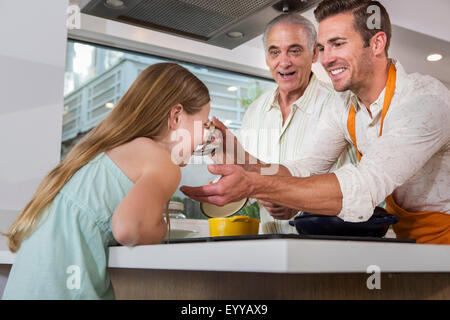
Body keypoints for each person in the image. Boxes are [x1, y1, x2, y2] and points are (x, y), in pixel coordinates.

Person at [181, 0, 450, 244]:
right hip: (410, 245)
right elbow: (304, 169)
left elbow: (365, 185)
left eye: (338, 43)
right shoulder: (344, 105)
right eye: (322, 47)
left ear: (377, 43)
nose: (326, 59)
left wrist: (254, 184)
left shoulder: (424, 100)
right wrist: (242, 159)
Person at [2, 63, 211, 299]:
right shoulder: (162, 161)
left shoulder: (101, 154)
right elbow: (129, 229)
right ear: (176, 116)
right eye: (204, 125)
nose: (204, 139)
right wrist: (161, 227)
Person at [240, 13, 356, 234]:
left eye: (294, 50)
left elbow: (360, 188)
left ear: (314, 53)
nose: (284, 62)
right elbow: (250, 177)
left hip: (329, 252)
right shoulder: (254, 112)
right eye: (275, 52)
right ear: (266, 58)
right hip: (271, 253)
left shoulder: (341, 104)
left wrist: (298, 198)